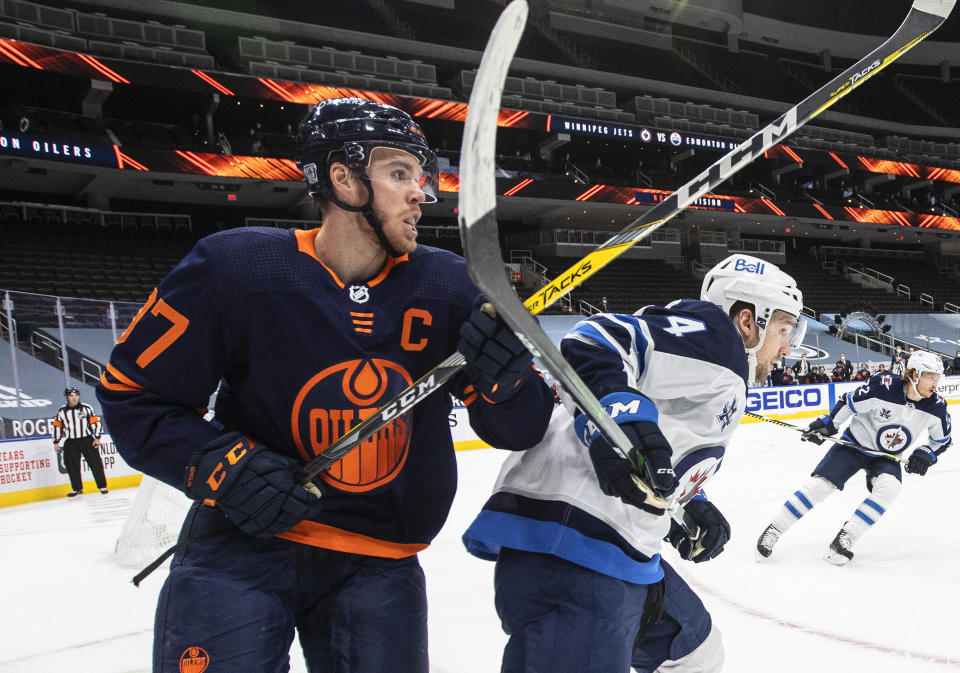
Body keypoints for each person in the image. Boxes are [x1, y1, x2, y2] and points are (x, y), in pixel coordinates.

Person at [96, 98, 554, 673]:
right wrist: (222, 466)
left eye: (421, 176)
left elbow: (521, 427)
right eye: (400, 173)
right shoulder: (236, 268)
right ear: (343, 177)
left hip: (378, 561)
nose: (421, 193)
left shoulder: (449, 286)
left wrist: (507, 379)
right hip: (241, 544)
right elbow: (134, 395)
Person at [463, 253, 805, 673]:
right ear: (747, 319)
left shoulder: (712, 360)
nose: (788, 346)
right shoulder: (720, 337)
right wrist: (620, 418)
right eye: (784, 328)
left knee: (697, 651)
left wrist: (687, 502)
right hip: (575, 548)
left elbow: (649, 447)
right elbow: (594, 338)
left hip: (617, 548)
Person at [756, 350, 951, 565]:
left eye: (937, 378)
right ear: (914, 374)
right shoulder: (883, 385)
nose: (936, 383)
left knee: (890, 488)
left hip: (887, 457)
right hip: (854, 445)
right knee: (820, 486)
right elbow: (849, 403)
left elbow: (942, 441)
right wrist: (830, 424)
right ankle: (774, 529)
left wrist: (927, 454)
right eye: (931, 377)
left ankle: (845, 538)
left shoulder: (937, 406)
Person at [52, 386, 107, 497]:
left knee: (95, 463)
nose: (74, 398)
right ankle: (77, 488)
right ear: (67, 397)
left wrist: (97, 437)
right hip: (71, 441)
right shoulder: (62, 411)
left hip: (87, 439)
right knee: (72, 466)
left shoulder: (86, 408)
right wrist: (56, 441)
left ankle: (102, 486)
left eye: (76, 395)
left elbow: (96, 423)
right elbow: (57, 426)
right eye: (71, 396)